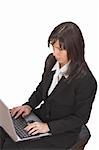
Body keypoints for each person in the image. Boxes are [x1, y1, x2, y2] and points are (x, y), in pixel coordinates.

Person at [0, 21, 97, 150]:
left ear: (74, 49)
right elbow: (42, 88)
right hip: (42, 117)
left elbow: (80, 118)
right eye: (53, 46)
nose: (55, 53)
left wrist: (47, 127)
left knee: (11, 146)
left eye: (60, 49)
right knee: (2, 130)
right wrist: (29, 105)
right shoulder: (51, 61)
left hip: (62, 133)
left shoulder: (86, 81)